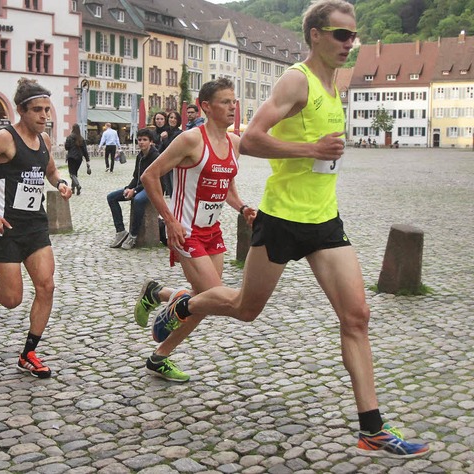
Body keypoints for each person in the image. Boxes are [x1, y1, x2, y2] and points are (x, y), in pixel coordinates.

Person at [151, 0, 429, 459]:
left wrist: (324, 152)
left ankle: (373, 428)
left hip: (324, 220)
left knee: (357, 316)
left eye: (353, 36)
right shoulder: (296, 78)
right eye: (342, 35)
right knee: (244, 307)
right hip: (282, 219)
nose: (350, 43)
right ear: (316, 34)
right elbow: (254, 139)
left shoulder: (334, 83)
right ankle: (183, 305)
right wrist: (311, 149)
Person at [136, 78, 255, 382]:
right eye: (225, 102)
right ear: (206, 106)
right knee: (217, 296)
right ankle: (168, 306)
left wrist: (242, 207)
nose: (232, 107)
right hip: (184, 229)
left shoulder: (234, 144)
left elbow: (226, 189)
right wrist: (170, 220)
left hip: (212, 231)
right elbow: (150, 177)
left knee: (205, 302)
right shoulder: (190, 140)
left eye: (234, 101)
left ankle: (159, 342)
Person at [0, 77, 72, 378]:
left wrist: (60, 182)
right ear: (21, 110)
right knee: (12, 300)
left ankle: (28, 353)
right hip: (5, 227)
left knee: (46, 286)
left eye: (47, 110)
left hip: (35, 225)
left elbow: (50, 170)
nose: (44, 116)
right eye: (37, 110)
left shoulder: (45, 141)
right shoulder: (3, 140)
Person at [106, 128, 158, 250]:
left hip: (153, 188)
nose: (141, 142)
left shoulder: (155, 156)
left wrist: (134, 191)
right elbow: (136, 177)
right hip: (140, 186)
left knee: (138, 200)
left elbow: (150, 180)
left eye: (145, 140)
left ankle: (133, 235)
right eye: (139, 140)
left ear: (151, 142)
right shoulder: (139, 156)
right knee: (111, 197)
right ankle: (121, 232)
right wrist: (128, 188)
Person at [157, 111, 183, 197]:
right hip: (166, 165)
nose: (172, 120)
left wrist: (165, 138)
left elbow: (172, 149)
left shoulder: (179, 133)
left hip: (175, 166)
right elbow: (160, 150)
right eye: (171, 117)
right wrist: (161, 139)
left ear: (178, 120)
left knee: (175, 189)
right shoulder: (165, 132)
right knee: (170, 190)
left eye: (175, 118)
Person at [64, 123, 90, 196]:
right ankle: (73, 188)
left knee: (72, 174)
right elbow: (85, 150)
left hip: (71, 157)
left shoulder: (69, 137)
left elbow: (66, 147)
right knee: (75, 173)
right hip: (79, 158)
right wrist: (87, 160)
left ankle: (77, 186)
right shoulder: (81, 138)